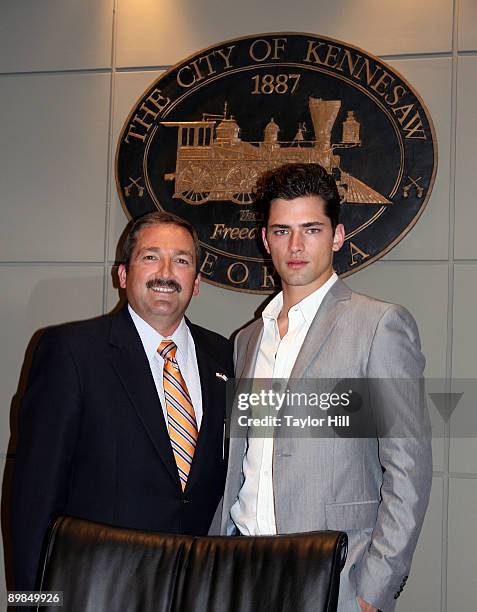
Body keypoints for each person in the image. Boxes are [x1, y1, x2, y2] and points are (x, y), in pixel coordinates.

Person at [221, 163, 432, 612]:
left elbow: (408, 469)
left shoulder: (379, 326)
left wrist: (373, 587)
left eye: (311, 229)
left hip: (333, 577)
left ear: (337, 236)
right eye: (281, 231)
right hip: (240, 567)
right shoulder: (247, 340)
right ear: (265, 240)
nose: (295, 246)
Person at [11, 211, 233, 591]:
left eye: (181, 260)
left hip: (199, 590)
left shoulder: (227, 357)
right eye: (150, 257)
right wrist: (31, 599)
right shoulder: (71, 352)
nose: (166, 271)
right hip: (98, 590)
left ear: (196, 283)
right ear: (123, 275)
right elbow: (33, 496)